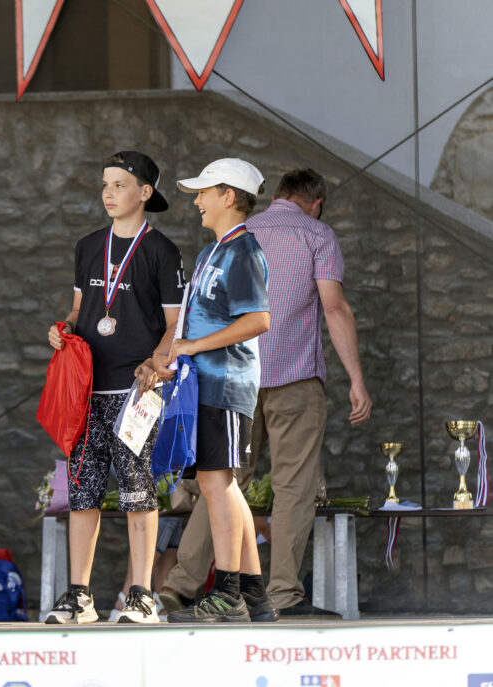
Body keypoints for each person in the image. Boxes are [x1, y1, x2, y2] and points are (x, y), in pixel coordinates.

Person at [44, 150, 185, 624]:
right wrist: (63, 329)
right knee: (82, 490)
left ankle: (141, 594)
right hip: (86, 391)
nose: (108, 193)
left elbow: (175, 324)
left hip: (137, 392)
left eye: (119, 184)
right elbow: (79, 309)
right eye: (105, 184)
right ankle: (79, 596)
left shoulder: (162, 251)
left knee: (137, 489)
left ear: (145, 192)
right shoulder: (87, 246)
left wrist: (155, 363)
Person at [246, 168, 372, 614]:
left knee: (223, 483)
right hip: (294, 378)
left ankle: (188, 587)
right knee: (293, 489)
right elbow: (334, 309)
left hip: (236, 378)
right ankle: (282, 593)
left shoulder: (241, 231)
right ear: (316, 203)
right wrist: (356, 379)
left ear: (277, 196)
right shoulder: (317, 234)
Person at [158, 158, 276, 623]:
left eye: (204, 192)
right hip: (206, 385)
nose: (197, 201)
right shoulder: (215, 250)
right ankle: (254, 597)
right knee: (221, 485)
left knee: (216, 483)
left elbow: (258, 320)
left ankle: (228, 593)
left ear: (229, 196)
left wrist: (192, 346)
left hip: (225, 384)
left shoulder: (242, 250)